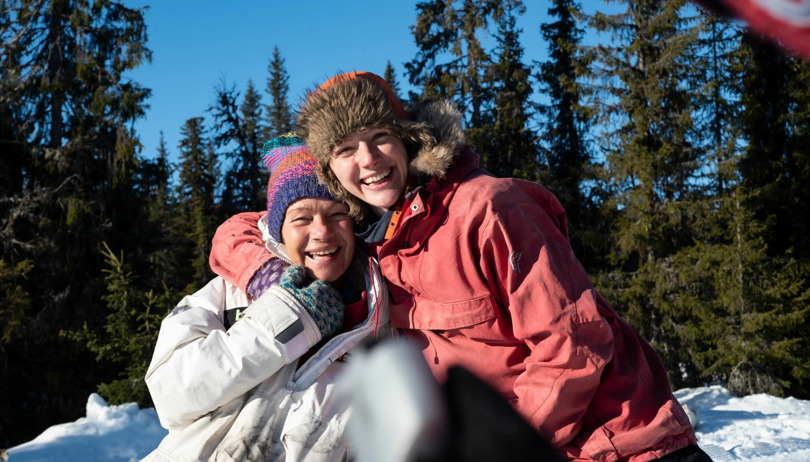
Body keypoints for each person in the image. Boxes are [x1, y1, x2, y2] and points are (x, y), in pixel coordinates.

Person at [210, 72, 712, 461]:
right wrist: (265, 273)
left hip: (620, 446)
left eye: (379, 136)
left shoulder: (489, 207)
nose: (367, 159)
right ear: (332, 172)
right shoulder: (370, 242)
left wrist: (503, 447)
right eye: (345, 149)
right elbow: (239, 230)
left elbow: (574, 345)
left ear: (408, 139)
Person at [143, 133, 389, 462]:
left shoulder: (381, 316)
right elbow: (170, 397)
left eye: (336, 214)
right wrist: (287, 316)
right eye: (301, 218)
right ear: (278, 231)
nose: (322, 232)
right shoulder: (228, 291)